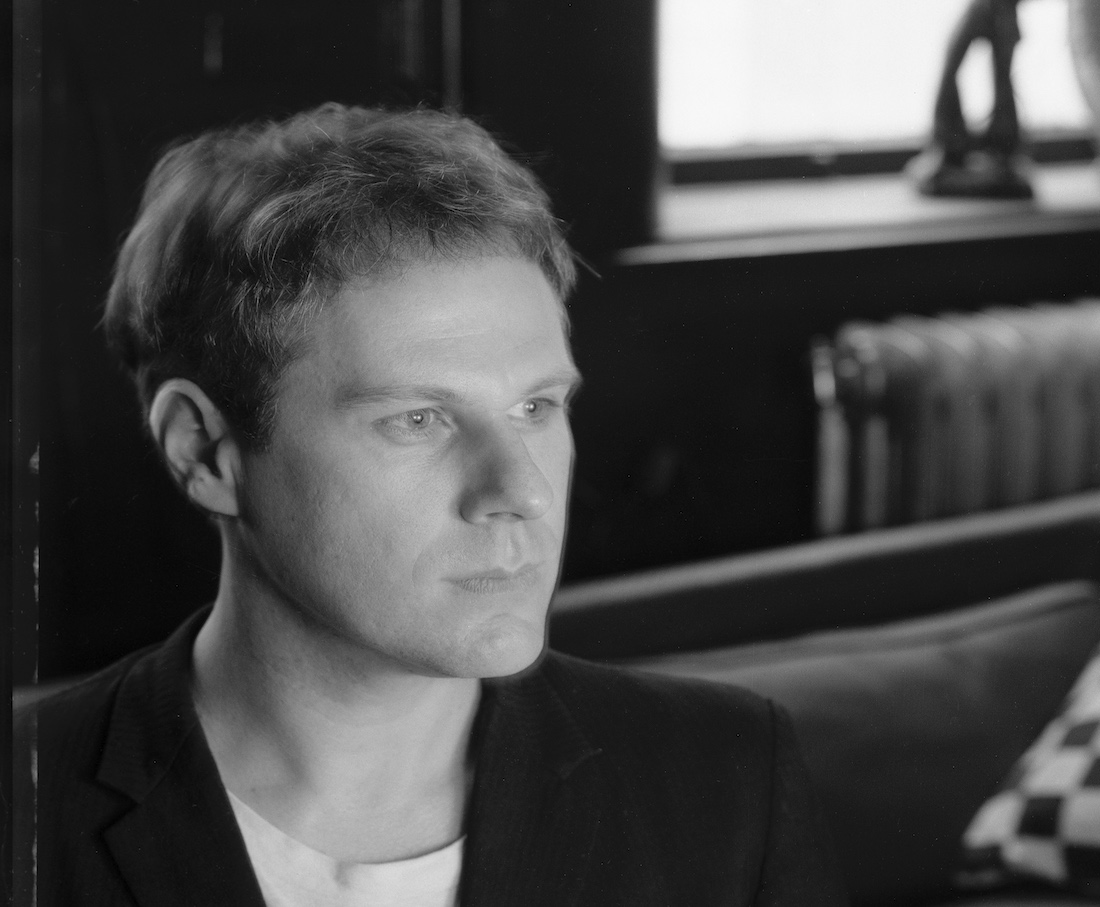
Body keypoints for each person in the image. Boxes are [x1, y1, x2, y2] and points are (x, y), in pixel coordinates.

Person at [17, 104, 847, 907]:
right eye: (417, 419)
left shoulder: (728, 782)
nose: (519, 492)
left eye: (536, 407)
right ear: (203, 450)